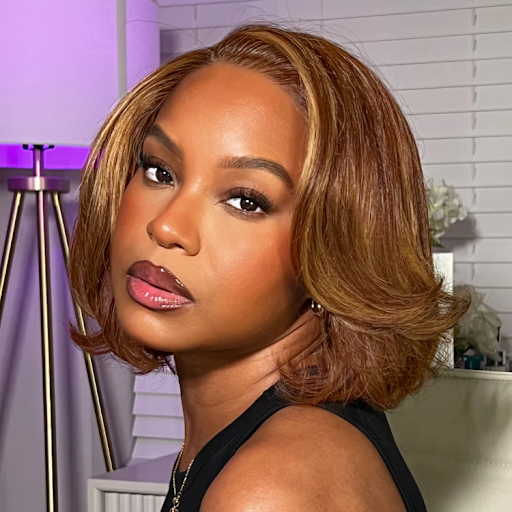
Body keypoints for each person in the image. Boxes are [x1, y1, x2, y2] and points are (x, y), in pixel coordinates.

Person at [69, 23, 469, 512]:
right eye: (160, 171)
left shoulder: (269, 489)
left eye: (245, 200)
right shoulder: (274, 442)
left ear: (336, 250)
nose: (167, 226)